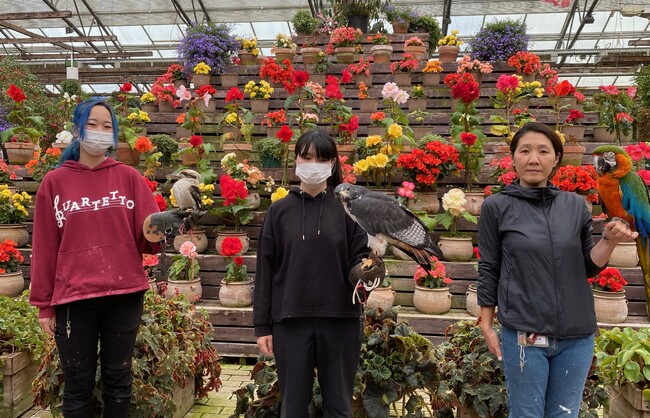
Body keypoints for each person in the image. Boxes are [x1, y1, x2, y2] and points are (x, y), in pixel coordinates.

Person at [29, 97, 192, 417]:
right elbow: (45, 247)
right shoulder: (54, 183)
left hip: (124, 295)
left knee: (119, 381)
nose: (100, 132)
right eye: (92, 125)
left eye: (107, 126)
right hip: (74, 298)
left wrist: (171, 221)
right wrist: (44, 305)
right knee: (77, 384)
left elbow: (147, 238)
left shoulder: (129, 178)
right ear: (77, 130)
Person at [477, 122, 637, 417]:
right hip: (525, 333)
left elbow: (588, 266)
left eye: (543, 151)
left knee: (565, 413)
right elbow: (489, 267)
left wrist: (609, 241)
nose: (533, 159)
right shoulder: (496, 207)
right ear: (513, 158)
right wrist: (486, 324)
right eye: (525, 151)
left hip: (577, 336)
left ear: (556, 159)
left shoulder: (575, 206)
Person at [253, 130, 384, 417]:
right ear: (296, 160)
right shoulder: (278, 212)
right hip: (290, 321)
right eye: (307, 157)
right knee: (292, 408)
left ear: (333, 163)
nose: (314, 164)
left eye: (322, 159)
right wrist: (262, 326)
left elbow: (360, 258)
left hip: (340, 321)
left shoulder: (349, 210)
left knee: (339, 407)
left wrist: (367, 271)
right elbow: (265, 270)